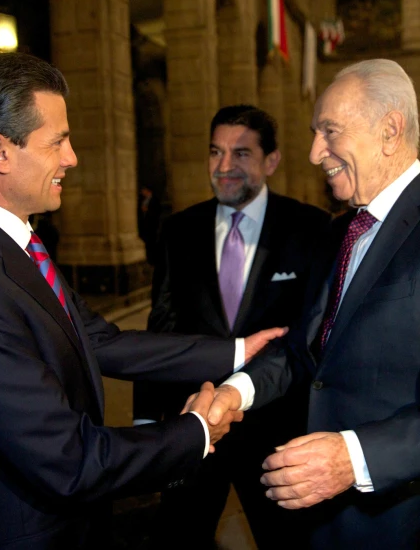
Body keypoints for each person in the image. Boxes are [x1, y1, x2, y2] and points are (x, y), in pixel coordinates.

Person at [0, 51, 284, 549]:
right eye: (57, 140)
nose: (72, 157)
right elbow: (69, 459)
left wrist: (236, 351)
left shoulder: (11, 245)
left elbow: (100, 339)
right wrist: (196, 432)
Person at [205, 59, 420, 549]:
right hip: (320, 516)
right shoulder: (340, 233)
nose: (314, 153)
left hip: (403, 520)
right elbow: (304, 353)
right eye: (314, 133)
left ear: (390, 130)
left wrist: (354, 458)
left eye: (330, 131)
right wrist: (235, 393)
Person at [133, 105, 331, 548]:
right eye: (215, 152)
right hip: (195, 425)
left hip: (279, 435)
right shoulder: (179, 231)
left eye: (241, 154)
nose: (224, 167)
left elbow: (313, 338)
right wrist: (147, 419)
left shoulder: (311, 229)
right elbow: (160, 329)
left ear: (271, 161)